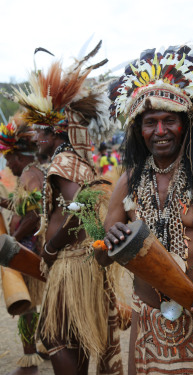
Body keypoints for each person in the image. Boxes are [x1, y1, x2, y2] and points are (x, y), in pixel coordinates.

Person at [96, 44, 193, 375]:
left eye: (169, 120)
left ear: (185, 123)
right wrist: (110, 240)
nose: (160, 131)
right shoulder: (128, 181)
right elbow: (101, 255)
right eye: (150, 122)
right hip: (148, 317)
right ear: (138, 129)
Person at [9, 45, 123, 375]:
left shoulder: (61, 163)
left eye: (39, 131)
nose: (34, 137)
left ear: (56, 131)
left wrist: (49, 247)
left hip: (71, 262)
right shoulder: (76, 161)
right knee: (75, 336)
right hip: (81, 263)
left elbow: (83, 209)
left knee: (53, 335)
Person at [0, 114, 46, 375]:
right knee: (34, 304)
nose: (9, 167)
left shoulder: (30, 174)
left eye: (9, 161)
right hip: (27, 246)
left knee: (27, 305)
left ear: (18, 157)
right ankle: (43, 347)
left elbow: (33, 215)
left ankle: (30, 361)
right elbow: (23, 207)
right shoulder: (32, 173)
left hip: (27, 249)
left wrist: (13, 244)